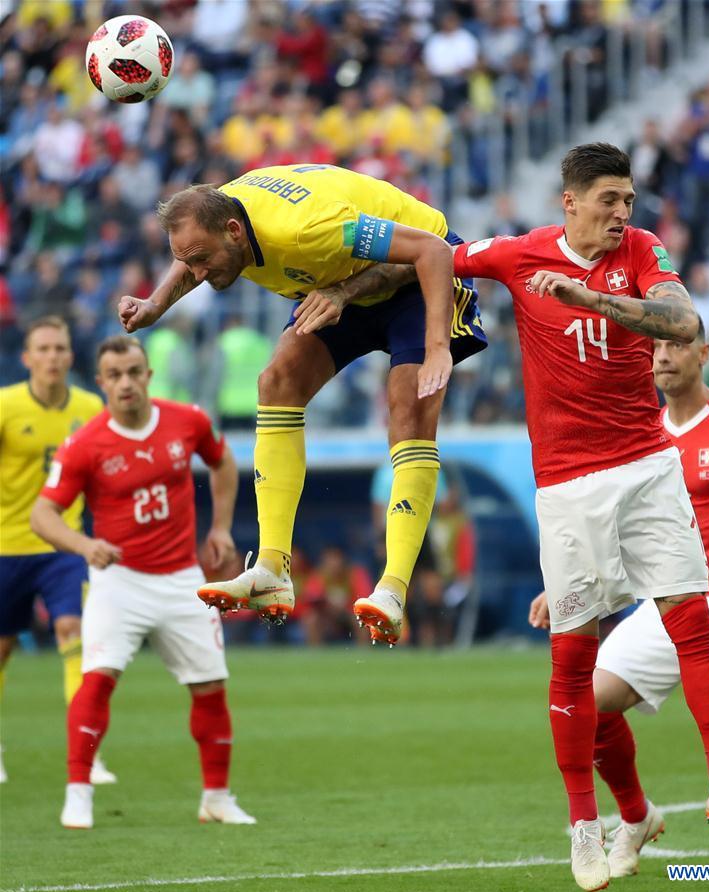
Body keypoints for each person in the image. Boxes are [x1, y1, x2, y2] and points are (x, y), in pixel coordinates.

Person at [451, 143, 709, 892]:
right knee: (571, 662)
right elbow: (435, 255)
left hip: (648, 467)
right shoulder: (519, 255)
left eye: (628, 200)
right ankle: (585, 827)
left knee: (692, 624)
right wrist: (342, 282)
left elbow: (681, 319)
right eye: (609, 200)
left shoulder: (642, 251)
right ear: (570, 201)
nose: (622, 213)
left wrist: (589, 300)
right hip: (567, 487)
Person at [117, 164, 486, 647]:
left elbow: (432, 250)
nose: (200, 274)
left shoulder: (305, 228)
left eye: (203, 260)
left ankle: (394, 590)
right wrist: (155, 304)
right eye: (190, 262)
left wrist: (438, 347)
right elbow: (190, 256)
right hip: (340, 284)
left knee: (407, 409)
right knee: (276, 383)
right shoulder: (218, 216)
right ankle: (272, 569)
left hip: (419, 276)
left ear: (234, 231)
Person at [529, 320, 709, 884]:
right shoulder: (641, 432)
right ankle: (636, 816)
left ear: (703, 353)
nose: (662, 356)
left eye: (675, 344)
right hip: (663, 603)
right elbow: (612, 524)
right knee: (589, 704)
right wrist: (565, 584)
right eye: (653, 346)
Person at [30, 336, 254, 829]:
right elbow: (42, 514)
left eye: (134, 372)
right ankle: (78, 793)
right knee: (97, 679)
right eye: (115, 375)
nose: (126, 383)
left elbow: (223, 461)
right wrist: (83, 545)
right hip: (120, 581)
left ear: (149, 375)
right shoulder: (85, 444)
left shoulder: (188, 420)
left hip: (182, 579)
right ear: (101, 383)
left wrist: (220, 527)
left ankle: (216, 798)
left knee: (211, 686)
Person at [0, 316, 114, 786]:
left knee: (74, 631)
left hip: (64, 544)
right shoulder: (6, 406)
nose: (52, 356)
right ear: (27, 358)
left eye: (60, 348)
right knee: (3, 647)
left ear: (70, 356)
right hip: (6, 544)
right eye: (43, 349)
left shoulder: (90, 408)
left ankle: (86, 753)